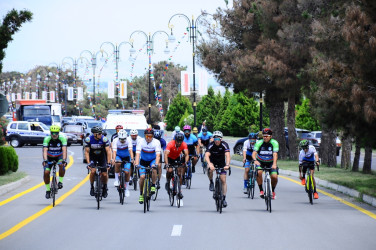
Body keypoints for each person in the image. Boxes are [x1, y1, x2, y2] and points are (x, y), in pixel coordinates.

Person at [134, 128, 161, 204]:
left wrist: (156, 164)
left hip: (152, 160)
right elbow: (138, 154)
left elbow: (158, 155)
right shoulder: (141, 142)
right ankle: (141, 194)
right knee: (142, 177)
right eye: (147, 136)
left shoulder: (156, 142)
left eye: (150, 136)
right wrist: (136, 164)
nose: (148, 138)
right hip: (143, 161)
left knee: (154, 168)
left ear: (153, 136)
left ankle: (153, 185)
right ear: (144, 136)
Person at [85, 126, 112, 198]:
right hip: (93, 157)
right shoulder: (89, 139)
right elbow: (87, 152)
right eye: (99, 134)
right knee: (93, 171)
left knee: (104, 174)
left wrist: (109, 163)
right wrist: (88, 163)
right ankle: (92, 187)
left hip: (102, 157)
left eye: (101, 133)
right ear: (94, 134)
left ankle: (105, 187)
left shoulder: (104, 139)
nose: (101, 135)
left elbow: (108, 151)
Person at [252, 128, 279, 200]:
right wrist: (255, 160)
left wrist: (274, 164)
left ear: (271, 136)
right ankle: (261, 190)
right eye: (264, 136)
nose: (265, 137)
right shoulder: (259, 143)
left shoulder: (274, 143)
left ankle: (272, 191)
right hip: (261, 162)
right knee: (259, 172)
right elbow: (254, 153)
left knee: (274, 177)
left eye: (267, 136)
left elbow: (275, 154)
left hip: (270, 162)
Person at [205, 131, 231, 207]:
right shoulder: (211, 145)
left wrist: (227, 165)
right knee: (209, 169)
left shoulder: (224, 145)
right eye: (215, 138)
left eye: (218, 139)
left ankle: (224, 198)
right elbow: (206, 155)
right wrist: (209, 164)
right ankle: (211, 182)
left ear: (221, 139)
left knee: (223, 180)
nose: (216, 140)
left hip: (222, 163)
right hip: (212, 161)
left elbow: (228, 156)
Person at [42, 125, 67, 199]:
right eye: (53, 133)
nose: (54, 135)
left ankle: (60, 182)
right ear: (50, 133)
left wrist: (64, 160)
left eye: (56, 133)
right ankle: (47, 190)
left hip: (59, 156)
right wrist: (45, 160)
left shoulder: (62, 138)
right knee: (46, 172)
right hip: (49, 157)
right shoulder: (47, 139)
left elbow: (64, 150)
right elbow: (45, 151)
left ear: (58, 133)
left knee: (62, 165)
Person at [164, 133, 189, 199]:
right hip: (169, 158)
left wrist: (186, 162)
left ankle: (179, 190)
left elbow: (186, 155)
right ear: (175, 140)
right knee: (170, 170)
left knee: (179, 173)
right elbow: (166, 155)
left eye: (180, 141)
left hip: (177, 158)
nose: (179, 143)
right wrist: (166, 164)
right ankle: (168, 181)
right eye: (177, 141)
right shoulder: (170, 144)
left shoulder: (184, 144)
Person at [112, 129, 132, 197]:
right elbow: (114, 152)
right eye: (121, 139)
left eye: (124, 139)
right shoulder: (115, 140)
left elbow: (130, 150)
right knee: (117, 163)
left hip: (127, 156)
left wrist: (132, 159)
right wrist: (114, 159)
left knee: (126, 172)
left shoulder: (129, 140)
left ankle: (127, 189)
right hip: (118, 156)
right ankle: (116, 180)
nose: (122, 141)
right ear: (118, 137)